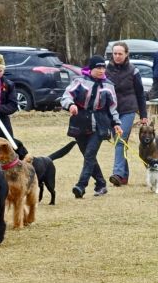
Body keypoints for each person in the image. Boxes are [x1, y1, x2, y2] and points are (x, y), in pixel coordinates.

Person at [61, 55, 121, 198]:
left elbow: (113, 108)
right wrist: (71, 105)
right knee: (89, 157)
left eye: (103, 68)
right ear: (91, 68)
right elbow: (66, 96)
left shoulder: (109, 85)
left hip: (100, 125)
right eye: (98, 68)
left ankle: (81, 186)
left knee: (89, 155)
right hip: (80, 122)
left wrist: (117, 124)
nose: (101, 71)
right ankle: (101, 184)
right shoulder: (79, 81)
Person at [106, 42, 149, 187]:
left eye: (120, 54)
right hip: (111, 112)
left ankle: (117, 173)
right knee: (120, 143)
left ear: (126, 54)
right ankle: (123, 177)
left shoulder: (133, 71)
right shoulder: (106, 70)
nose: (117, 56)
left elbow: (140, 94)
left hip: (128, 110)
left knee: (119, 140)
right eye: (115, 53)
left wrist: (144, 114)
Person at [0, 53, 24, 157]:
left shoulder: (9, 85)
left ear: (3, 70)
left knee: (8, 149)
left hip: (2, 123)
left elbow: (12, 105)